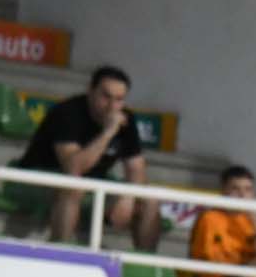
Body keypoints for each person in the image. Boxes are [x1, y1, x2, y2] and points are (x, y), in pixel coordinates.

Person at [18, 64, 160, 249]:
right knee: (74, 187)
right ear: (90, 91)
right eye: (106, 96)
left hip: (92, 183)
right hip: (39, 177)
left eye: (118, 100)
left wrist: (129, 196)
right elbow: (73, 168)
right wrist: (108, 132)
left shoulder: (127, 119)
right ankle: (59, 254)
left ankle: (147, 269)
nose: (112, 106)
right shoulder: (67, 113)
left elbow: (136, 168)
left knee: (149, 199)